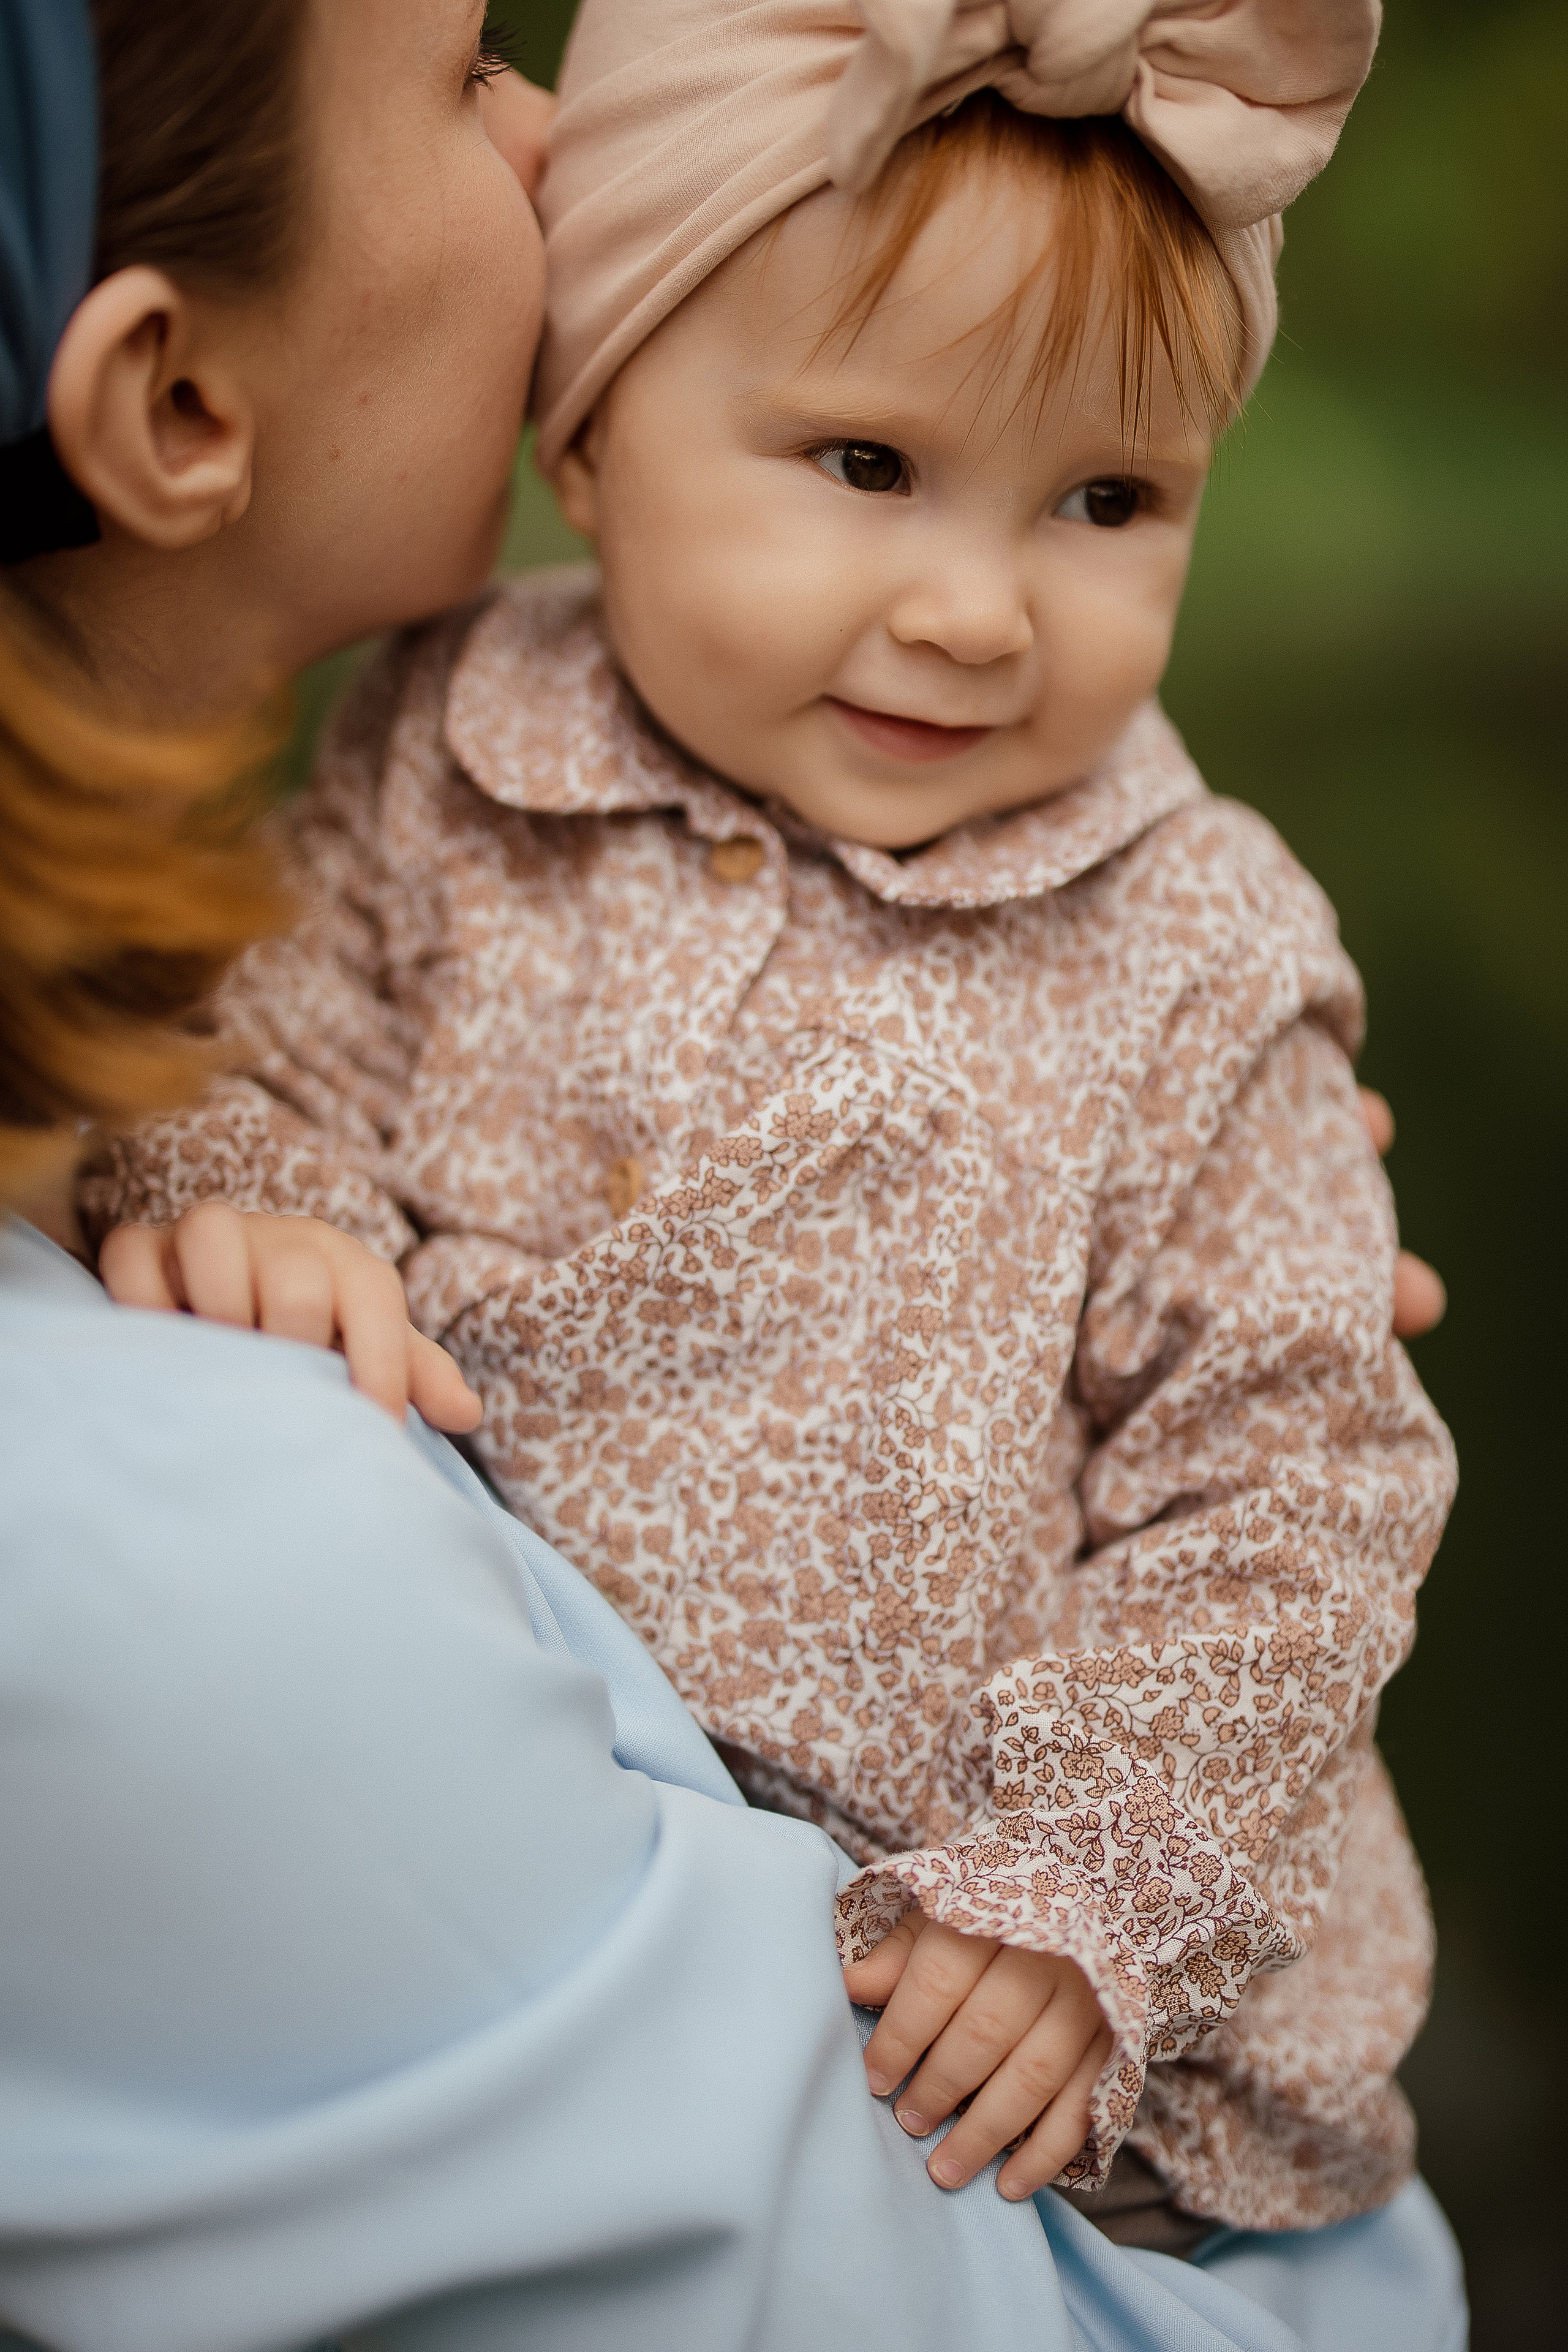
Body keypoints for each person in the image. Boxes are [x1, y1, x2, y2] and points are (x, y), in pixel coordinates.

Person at [0, 0, 1464, 2344]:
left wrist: (1089, 1876)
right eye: (868, 462)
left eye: (1110, 502)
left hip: (1032, 2000)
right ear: (591, 442)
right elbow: (265, 1049)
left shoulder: (1195, 936)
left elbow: (1297, 1480)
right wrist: (247, 1188)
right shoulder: (451, 764)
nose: (978, 610)